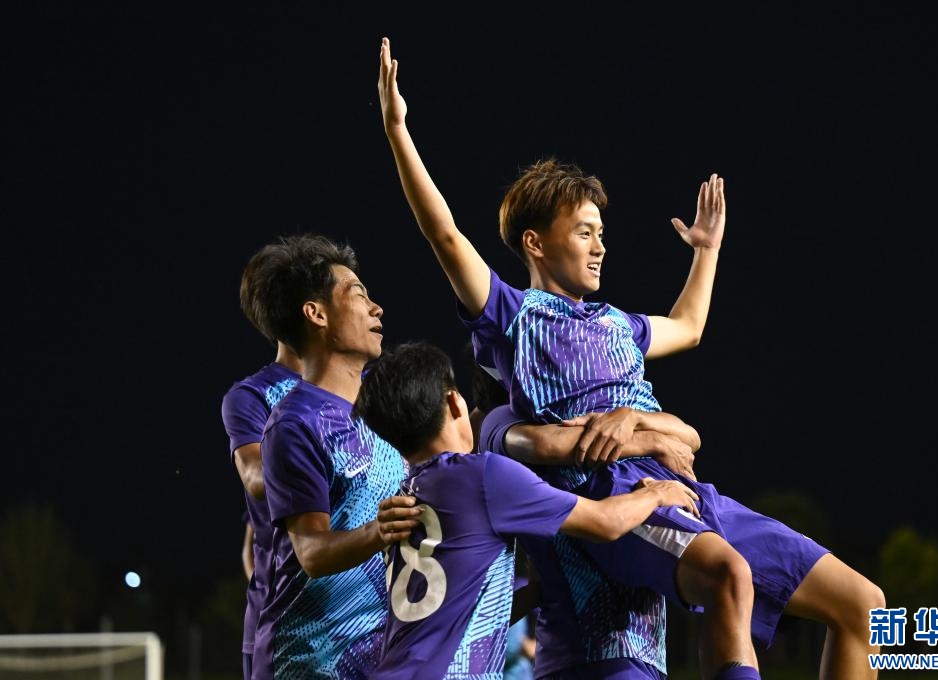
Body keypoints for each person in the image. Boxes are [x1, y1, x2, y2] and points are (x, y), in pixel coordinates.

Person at [378, 37, 885, 680]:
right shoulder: (514, 316)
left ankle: (916, 635)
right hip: (617, 493)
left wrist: (706, 251)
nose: (599, 247)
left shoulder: (618, 323)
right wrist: (399, 133)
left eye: (602, 233)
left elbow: (690, 327)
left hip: (688, 490)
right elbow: (445, 234)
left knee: (865, 605)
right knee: (728, 575)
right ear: (535, 243)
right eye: (584, 232)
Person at [351, 341, 702, 679]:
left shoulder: (406, 494)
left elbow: (460, 616)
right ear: (454, 401)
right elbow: (604, 522)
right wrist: (654, 494)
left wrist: (538, 589)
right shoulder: (482, 475)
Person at [246, 233, 418, 679]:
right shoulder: (294, 423)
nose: (377, 308)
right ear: (316, 313)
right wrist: (380, 530)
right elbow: (312, 552)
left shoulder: (385, 411)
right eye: (358, 294)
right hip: (308, 662)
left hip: (381, 655)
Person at [220, 248, 305, 679]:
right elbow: (255, 478)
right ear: (312, 310)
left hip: (369, 622)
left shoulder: (369, 390)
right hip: (288, 629)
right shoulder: (253, 396)